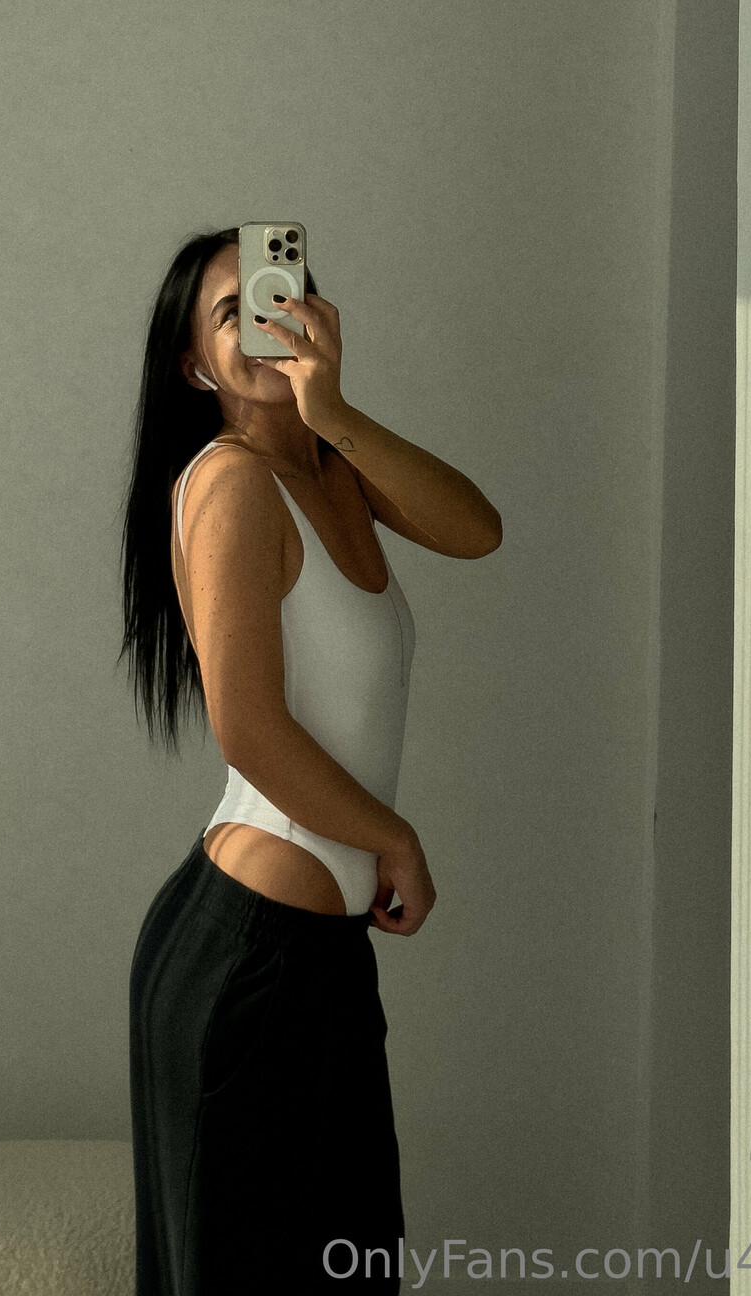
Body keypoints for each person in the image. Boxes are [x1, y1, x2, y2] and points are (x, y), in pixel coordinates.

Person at [120, 226, 503, 1295]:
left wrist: (329, 411)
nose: (263, 323)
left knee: (353, 1265)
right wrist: (396, 839)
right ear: (195, 365)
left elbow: (477, 529)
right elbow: (247, 727)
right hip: (252, 956)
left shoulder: (330, 470)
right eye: (230, 312)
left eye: (277, 296)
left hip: (315, 955)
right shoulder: (234, 483)